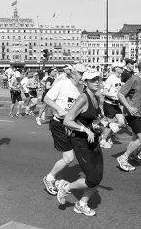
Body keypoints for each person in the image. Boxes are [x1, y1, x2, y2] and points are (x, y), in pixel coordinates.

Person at [56, 69, 103, 216]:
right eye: (93, 80)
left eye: (98, 79)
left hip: (93, 140)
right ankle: (66, 187)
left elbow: (93, 119)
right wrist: (85, 129)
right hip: (80, 142)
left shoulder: (96, 97)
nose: (97, 82)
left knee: (98, 177)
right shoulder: (83, 98)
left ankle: (81, 204)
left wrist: (104, 124)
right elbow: (67, 120)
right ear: (86, 83)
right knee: (92, 179)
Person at [42, 63, 86, 196]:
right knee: (68, 158)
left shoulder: (81, 87)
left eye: (84, 74)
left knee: (72, 156)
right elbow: (46, 98)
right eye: (80, 74)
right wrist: (59, 108)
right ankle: (49, 179)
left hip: (72, 124)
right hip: (59, 124)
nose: (82, 76)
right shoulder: (63, 84)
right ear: (73, 74)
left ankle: (55, 179)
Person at [115, 60, 141, 171]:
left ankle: (131, 155)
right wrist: (129, 107)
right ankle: (123, 157)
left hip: (140, 113)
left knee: (136, 137)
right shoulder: (134, 79)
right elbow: (120, 94)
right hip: (131, 113)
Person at [99, 62, 126, 148]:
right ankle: (103, 141)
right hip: (109, 104)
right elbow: (104, 92)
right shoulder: (110, 78)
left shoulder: (118, 78)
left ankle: (109, 136)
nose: (123, 69)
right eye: (121, 67)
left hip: (116, 104)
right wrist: (115, 95)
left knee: (121, 123)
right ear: (116, 68)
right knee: (111, 124)